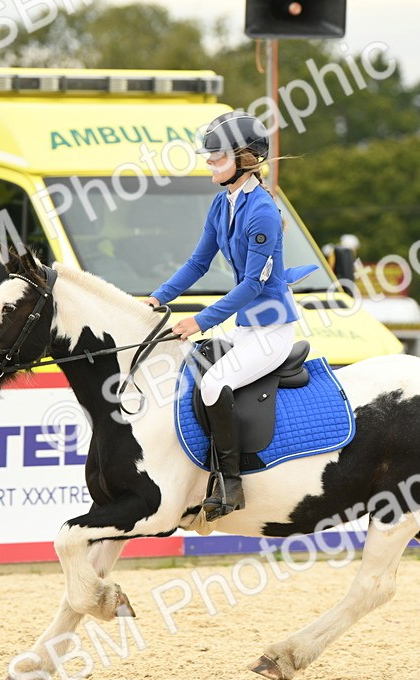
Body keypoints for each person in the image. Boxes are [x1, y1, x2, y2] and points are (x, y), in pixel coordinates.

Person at [145, 111, 302, 522]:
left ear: (246, 160)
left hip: (272, 329)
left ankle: (231, 483)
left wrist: (200, 320)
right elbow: (198, 263)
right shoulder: (222, 203)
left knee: (215, 383)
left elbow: (252, 285)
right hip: (246, 328)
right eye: (210, 157)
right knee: (193, 365)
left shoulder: (262, 211)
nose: (210, 163)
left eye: (218, 157)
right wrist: (156, 299)